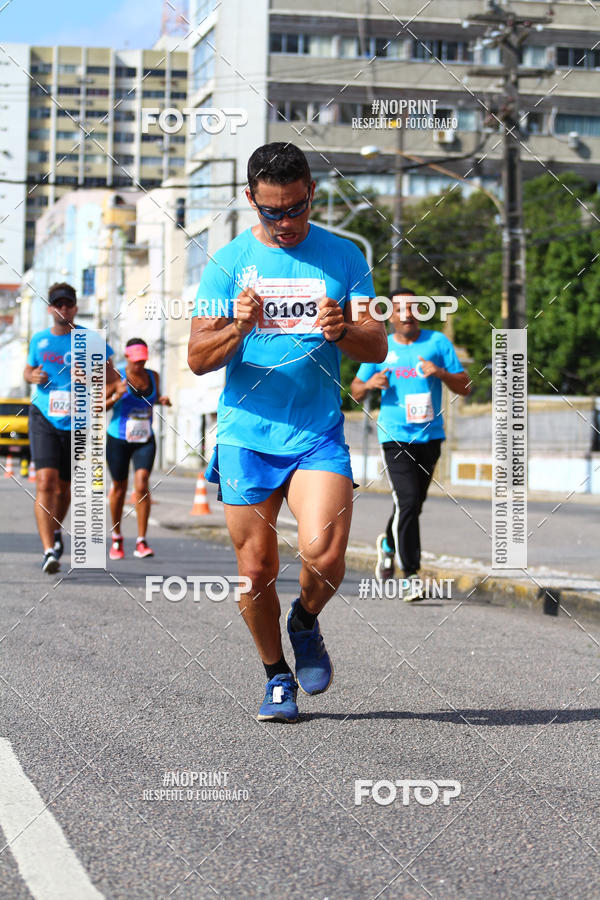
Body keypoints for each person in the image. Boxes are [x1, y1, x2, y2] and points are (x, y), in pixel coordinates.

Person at [188, 142, 387, 723]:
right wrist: (237, 328)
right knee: (255, 572)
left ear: (311, 195)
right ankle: (277, 676)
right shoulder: (227, 263)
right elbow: (199, 357)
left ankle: (304, 621)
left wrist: (341, 330)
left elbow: (375, 343)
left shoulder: (345, 256)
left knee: (325, 556)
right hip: (246, 435)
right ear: (252, 200)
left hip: (316, 431)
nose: (287, 223)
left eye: (296, 208)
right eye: (273, 212)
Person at [351, 289, 470, 598]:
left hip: (430, 436)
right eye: (400, 309)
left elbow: (465, 386)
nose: (407, 314)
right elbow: (355, 390)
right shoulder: (380, 346)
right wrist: (370, 384)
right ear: (389, 316)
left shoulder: (437, 343)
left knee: (413, 503)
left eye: (413, 308)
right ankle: (411, 575)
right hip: (394, 436)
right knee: (407, 501)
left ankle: (389, 544)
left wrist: (440, 372)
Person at [24, 282, 118, 573]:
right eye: (57, 304)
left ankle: (54, 531)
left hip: (78, 420)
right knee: (45, 482)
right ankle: (48, 551)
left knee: (64, 488)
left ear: (75, 308)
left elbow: (114, 379)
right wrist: (33, 376)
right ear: (50, 308)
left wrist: (91, 375)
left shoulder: (90, 340)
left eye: (68, 304)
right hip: (43, 414)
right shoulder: (39, 340)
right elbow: (27, 370)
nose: (63, 309)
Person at [105, 338, 171, 560]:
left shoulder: (154, 376)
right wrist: (116, 395)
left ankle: (141, 541)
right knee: (119, 488)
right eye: (136, 362)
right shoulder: (116, 376)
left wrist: (161, 399)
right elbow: (98, 405)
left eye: (143, 361)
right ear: (127, 359)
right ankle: (117, 537)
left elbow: (152, 399)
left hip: (144, 439)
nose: (139, 366)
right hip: (118, 439)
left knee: (142, 485)